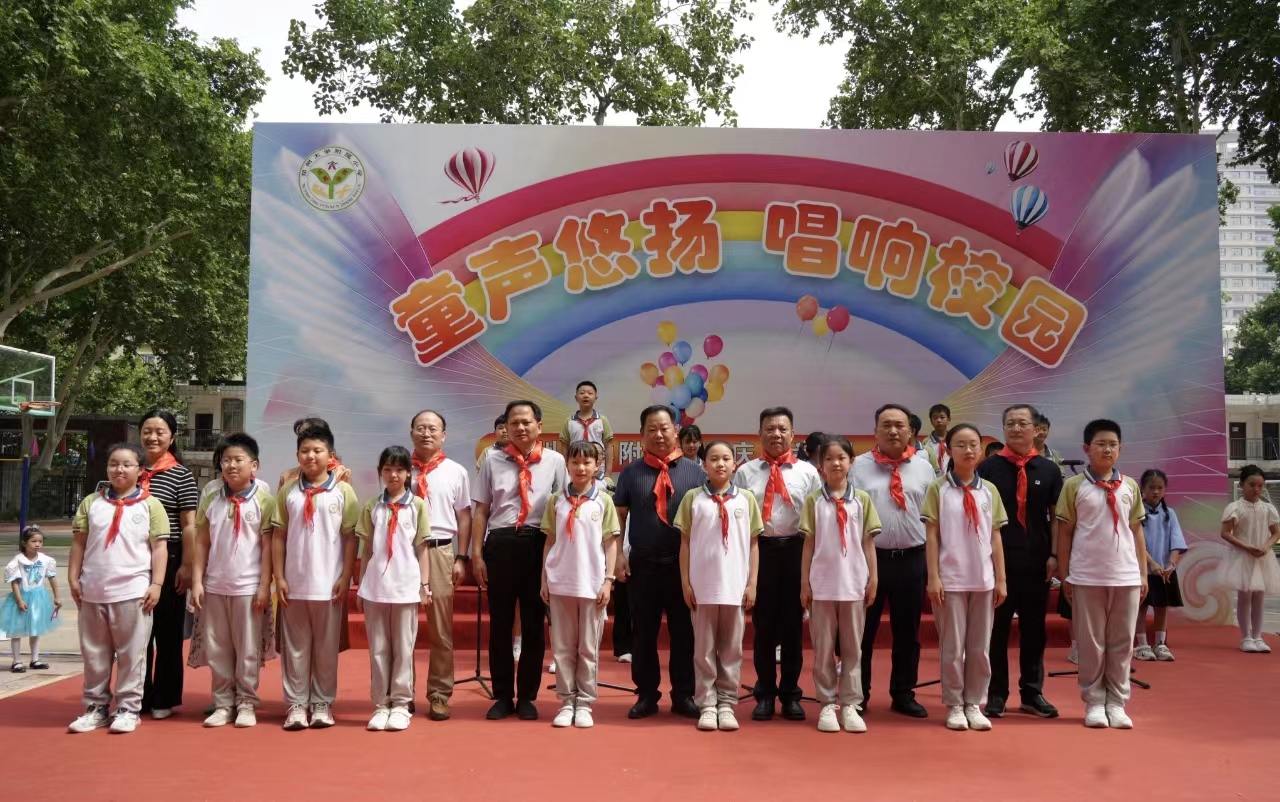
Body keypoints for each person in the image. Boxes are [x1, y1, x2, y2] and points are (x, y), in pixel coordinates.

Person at [472, 400, 567, 721]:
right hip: (500, 544)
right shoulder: (492, 459)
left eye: (527, 422)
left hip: (538, 544)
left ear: (539, 426)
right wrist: (476, 553)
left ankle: (527, 695)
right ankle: (502, 695)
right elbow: (481, 509)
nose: (521, 427)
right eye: (514, 422)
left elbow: (563, 508)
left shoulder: (555, 461)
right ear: (506, 427)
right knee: (500, 624)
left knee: (533, 624)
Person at [67, 443, 170, 734]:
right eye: (114, 464)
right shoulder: (92, 503)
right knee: (94, 654)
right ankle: (96, 707)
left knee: (132, 654)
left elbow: (159, 548)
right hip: (93, 589)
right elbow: (79, 543)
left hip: (133, 591)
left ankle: (128, 709)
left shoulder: (151, 504)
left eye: (126, 464)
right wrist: (73, 578)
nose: (119, 469)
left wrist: (156, 584)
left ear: (140, 470)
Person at [614, 405, 706, 719]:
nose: (659, 434)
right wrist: (618, 556)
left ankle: (683, 695)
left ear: (676, 431)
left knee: (684, 634)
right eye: (651, 429)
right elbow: (620, 517)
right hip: (643, 564)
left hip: (683, 567)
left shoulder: (696, 472)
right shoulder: (631, 473)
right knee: (643, 633)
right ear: (642, 434)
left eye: (664, 428)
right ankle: (646, 695)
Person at [1058, 419, 1148, 729]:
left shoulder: (1130, 486)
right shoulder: (1074, 486)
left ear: (1120, 449)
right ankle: (1094, 701)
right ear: (1087, 448)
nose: (1107, 449)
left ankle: (1117, 702)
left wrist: (1142, 574)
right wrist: (1065, 574)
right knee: (1092, 642)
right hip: (1087, 576)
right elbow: (1065, 533)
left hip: (1126, 575)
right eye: (1100, 444)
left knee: (1122, 642)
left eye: (1112, 444)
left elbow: (1136, 531)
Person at [734, 406, 821, 721]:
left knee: (793, 627)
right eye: (770, 429)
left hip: (796, 551)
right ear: (759, 434)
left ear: (793, 434)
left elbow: (816, 520)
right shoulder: (745, 473)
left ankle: (791, 694)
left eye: (782, 429)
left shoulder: (808, 473)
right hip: (761, 552)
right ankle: (766, 694)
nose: (776, 434)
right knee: (764, 628)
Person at [270, 425, 359, 731]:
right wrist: (279, 577)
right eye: (305, 451)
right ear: (297, 455)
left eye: (317, 451)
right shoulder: (288, 491)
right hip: (294, 584)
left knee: (325, 648)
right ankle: (296, 703)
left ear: (330, 455)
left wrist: (346, 576)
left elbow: (350, 537)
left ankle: (322, 702)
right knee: (295, 648)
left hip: (329, 584)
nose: (311, 456)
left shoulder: (343, 491)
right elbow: (278, 536)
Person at [977, 404, 1062, 719]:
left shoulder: (1049, 470)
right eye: (1010, 423)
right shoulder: (988, 468)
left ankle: (1032, 692)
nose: (1015, 428)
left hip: (1037, 562)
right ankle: (996, 693)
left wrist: (1054, 554)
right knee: (997, 630)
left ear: (1036, 429)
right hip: (998, 563)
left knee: (1034, 630)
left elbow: (1056, 516)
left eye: (1022, 423)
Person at [922, 424, 1008, 731]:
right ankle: (954, 704)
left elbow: (995, 536)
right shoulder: (939, 489)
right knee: (952, 647)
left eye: (973, 444)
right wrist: (934, 577)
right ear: (949, 450)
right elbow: (932, 535)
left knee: (979, 647)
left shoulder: (989, 490)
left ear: (981, 450)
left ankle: (974, 702)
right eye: (960, 444)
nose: (968, 450)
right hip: (951, 579)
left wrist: (1001, 579)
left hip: (983, 579)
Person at [852, 404, 935, 718]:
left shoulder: (924, 467)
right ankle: (858, 694)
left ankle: (903, 693)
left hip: (912, 558)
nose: (893, 431)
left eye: (899, 425)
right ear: (875, 431)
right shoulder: (858, 467)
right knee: (862, 632)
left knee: (907, 633)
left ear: (911, 431)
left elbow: (932, 517)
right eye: (886, 425)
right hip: (869, 560)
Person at [190, 432, 276, 729]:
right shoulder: (211, 498)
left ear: (254, 465)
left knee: (248, 648)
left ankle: (246, 702)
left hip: (249, 587)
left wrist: (264, 585)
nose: (232, 465)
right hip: (215, 585)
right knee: (218, 647)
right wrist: (197, 582)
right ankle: (223, 702)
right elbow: (202, 543)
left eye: (239, 459)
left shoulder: (264, 500)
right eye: (226, 460)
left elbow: (268, 547)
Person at [676, 441, 762, 731]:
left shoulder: (746, 499)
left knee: (731, 650)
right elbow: (685, 543)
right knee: (703, 650)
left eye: (726, 458)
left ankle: (726, 703)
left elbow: (753, 544)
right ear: (704, 465)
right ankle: (707, 704)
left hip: (735, 587)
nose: (720, 464)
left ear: (735, 464)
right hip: (703, 587)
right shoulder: (693, 498)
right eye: (714, 459)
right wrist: (686, 582)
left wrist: (752, 583)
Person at [801, 435, 880, 734]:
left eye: (841, 458)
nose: (835, 463)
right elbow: (808, 545)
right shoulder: (814, 501)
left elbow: (868, 543)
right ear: (820, 464)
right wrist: (804, 583)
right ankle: (827, 703)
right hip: (822, 586)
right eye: (829, 458)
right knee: (823, 649)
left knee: (852, 649)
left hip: (854, 584)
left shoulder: (862, 500)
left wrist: (873, 578)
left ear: (851, 461)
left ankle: (850, 703)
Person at [539, 442, 621, 729]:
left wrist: (608, 581)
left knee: (587, 648)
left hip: (591, 584)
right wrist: (544, 579)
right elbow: (549, 541)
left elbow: (610, 544)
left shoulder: (603, 500)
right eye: (575, 462)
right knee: (562, 648)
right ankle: (566, 701)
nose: (581, 468)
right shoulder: (556, 500)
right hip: (560, 583)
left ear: (597, 466)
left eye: (587, 462)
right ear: (568, 465)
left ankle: (584, 703)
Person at [355, 445, 432, 732]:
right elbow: (366, 550)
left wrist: (425, 586)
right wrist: (361, 586)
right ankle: (381, 704)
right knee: (378, 649)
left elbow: (422, 549)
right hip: (375, 586)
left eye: (399, 469)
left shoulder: (417, 505)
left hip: (405, 586)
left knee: (403, 648)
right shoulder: (372, 507)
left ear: (408, 473)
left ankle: (400, 704)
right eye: (387, 469)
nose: (393, 475)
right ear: (380, 473)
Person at [408, 409, 472, 720]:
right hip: (404, 552)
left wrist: (462, 557)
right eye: (420, 428)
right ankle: (402, 692)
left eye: (433, 428)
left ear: (443, 435)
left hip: (439, 550)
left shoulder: (456, 471)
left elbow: (464, 516)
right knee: (402, 628)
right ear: (411, 433)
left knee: (440, 629)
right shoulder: (399, 469)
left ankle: (439, 694)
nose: (426, 433)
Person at [136, 409, 198, 720]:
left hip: (171, 557)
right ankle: (138, 694)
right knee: (137, 632)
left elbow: (189, 525)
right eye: (147, 431)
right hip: (135, 558)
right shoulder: (130, 470)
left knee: (168, 631)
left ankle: (164, 697)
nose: (153, 437)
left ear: (172, 438)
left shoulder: (180, 475)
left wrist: (187, 565)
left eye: (160, 432)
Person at [1218, 464, 1280, 654]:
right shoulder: (1234, 508)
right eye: (1252, 485)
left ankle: (1258, 636)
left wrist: (1266, 546)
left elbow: (1276, 533)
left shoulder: (1268, 508)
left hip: (1262, 557)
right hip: (1242, 557)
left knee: (1259, 596)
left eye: (1260, 486)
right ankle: (1246, 636)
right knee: (1245, 596)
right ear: (1242, 484)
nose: (1256, 489)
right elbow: (1225, 533)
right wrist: (1247, 547)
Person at [1133, 469, 1186, 662]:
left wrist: (1171, 564)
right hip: (1142, 570)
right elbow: (1136, 544)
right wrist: (1152, 564)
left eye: (1160, 488)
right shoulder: (1136, 513)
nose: (1155, 492)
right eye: (1151, 487)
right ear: (1143, 489)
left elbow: (1176, 542)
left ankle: (1160, 643)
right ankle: (1142, 644)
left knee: (1162, 606)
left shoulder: (1170, 513)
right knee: (1141, 606)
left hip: (1164, 571)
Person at [3, 525, 61, 673]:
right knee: (16, 630)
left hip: (38, 598)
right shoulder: (18, 561)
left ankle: (35, 659)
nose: (37, 544)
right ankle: (16, 661)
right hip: (22, 597)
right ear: (24, 543)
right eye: (34, 541)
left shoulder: (45, 560)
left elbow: (51, 578)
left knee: (35, 629)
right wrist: (19, 600)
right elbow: (15, 582)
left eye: (40, 541)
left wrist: (57, 596)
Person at [560, 380, 615, 480]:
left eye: (590, 393)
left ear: (595, 398)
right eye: (582, 393)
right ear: (576, 398)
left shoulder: (602, 420)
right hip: (576, 469)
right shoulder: (569, 422)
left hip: (598, 470)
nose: (586, 396)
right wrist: (566, 470)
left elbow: (608, 447)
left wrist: (608, 472)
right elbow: (564, 449)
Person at [278, 417, 353, 487]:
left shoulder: (341, 473)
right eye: (302, 435)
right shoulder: (287, 477)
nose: (310, 456)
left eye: (314, 434)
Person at [923, 404, 952, 476]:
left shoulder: (955, 440)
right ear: (931, 421)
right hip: (931, 478)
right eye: (935, 418)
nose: (939, 420)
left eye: (942, 417)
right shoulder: (925, 442)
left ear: (949, 420)